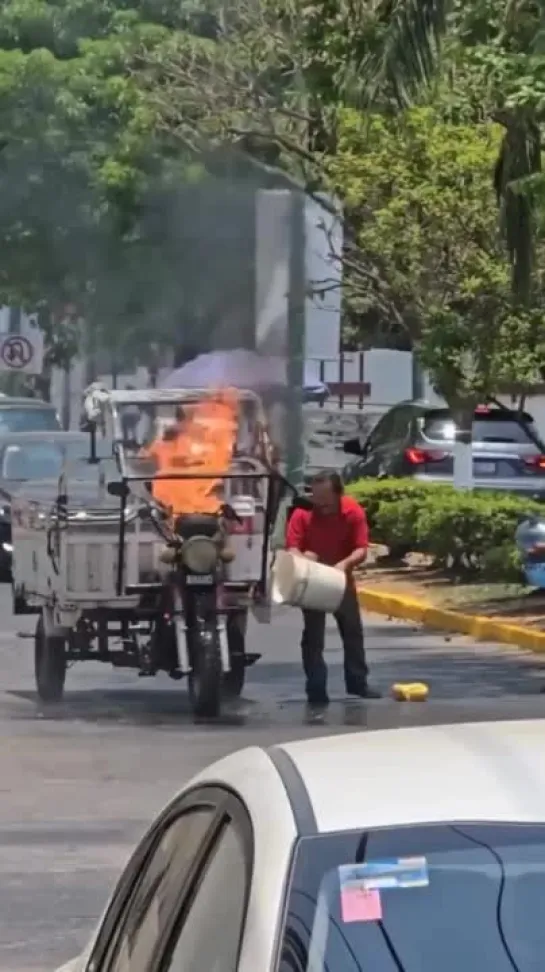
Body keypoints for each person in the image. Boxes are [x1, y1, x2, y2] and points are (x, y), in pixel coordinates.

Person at [286, 470, 380, 708]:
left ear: (339, 495)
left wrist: (343, 564)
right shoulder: (302, 513)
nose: (322, 507)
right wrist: (304, 563)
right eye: (317, 500)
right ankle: (316, 687)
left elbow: (361, 549)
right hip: (312, 580)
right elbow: (292, 547)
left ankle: (358, 682)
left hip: (341, 579)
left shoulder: (353, 512)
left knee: (352, 632)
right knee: (313, 637)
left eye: (327, 503)